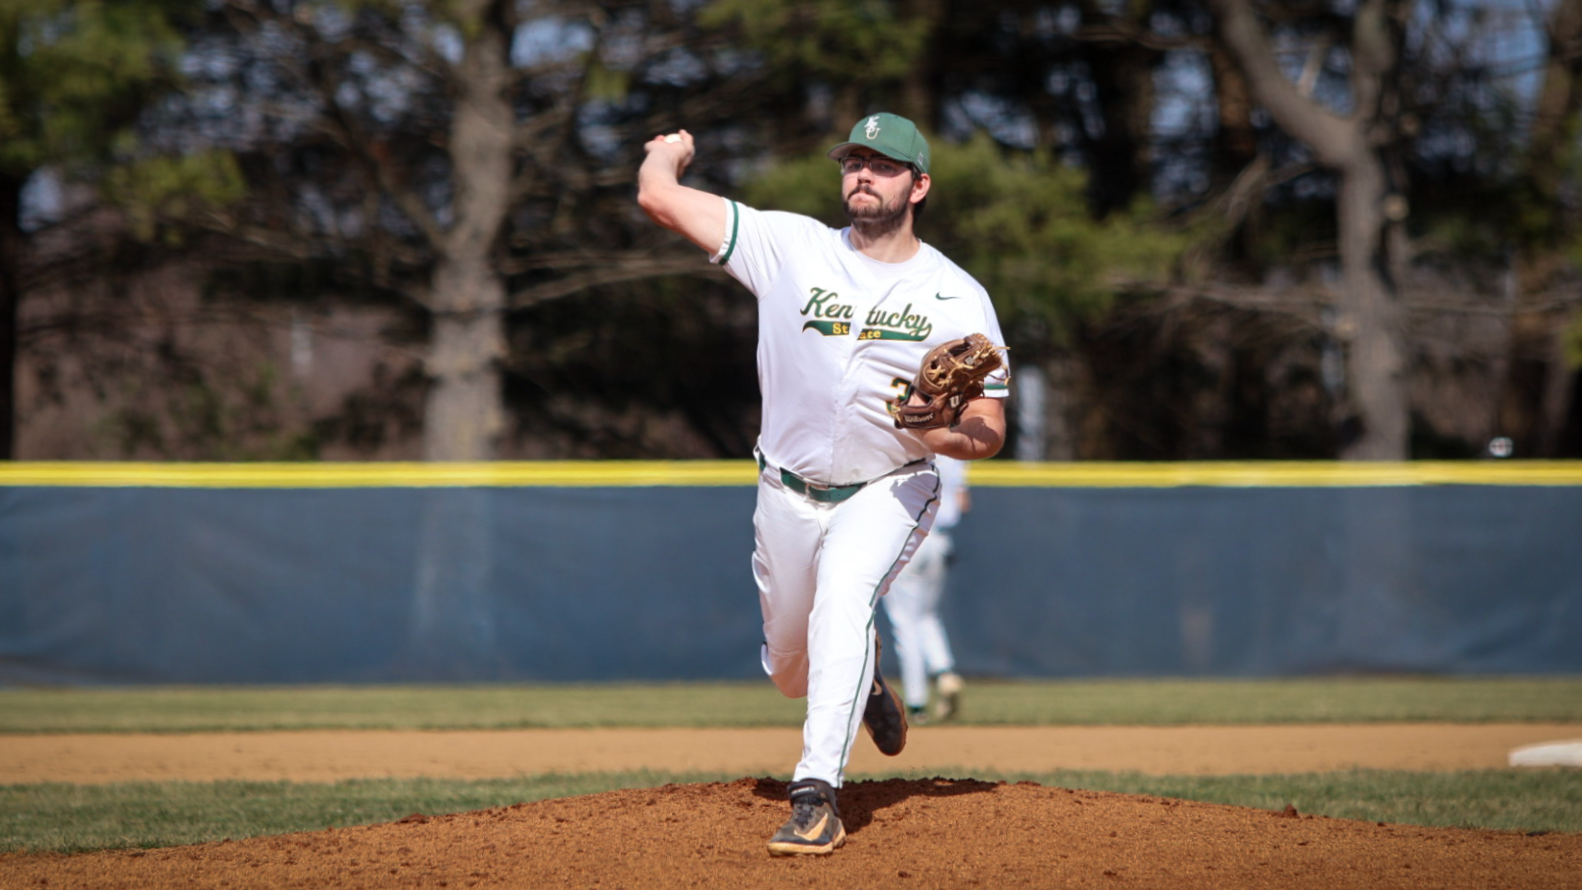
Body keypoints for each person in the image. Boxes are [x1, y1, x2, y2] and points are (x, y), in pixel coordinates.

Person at [636, 112, 1010, 857]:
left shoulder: (955, 295)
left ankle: (816, 796)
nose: (863, 175)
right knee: (788, 668)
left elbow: (988, 427)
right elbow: (660, 200)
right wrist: (665, 155)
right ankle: (862, 679)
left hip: (891, 484)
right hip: (787, 489)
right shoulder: (791, 247)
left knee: (846, 599)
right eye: (854, 162)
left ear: (920, 185)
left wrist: (936, 433)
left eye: (884, 165)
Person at [881, 453, 970, 725]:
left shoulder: (902, 440)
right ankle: (945, 672)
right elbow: (963, 503)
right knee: (928, 615)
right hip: (939, 540)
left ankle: (917, 703)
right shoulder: (954, 448)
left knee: (904, 623)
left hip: (905, 538)